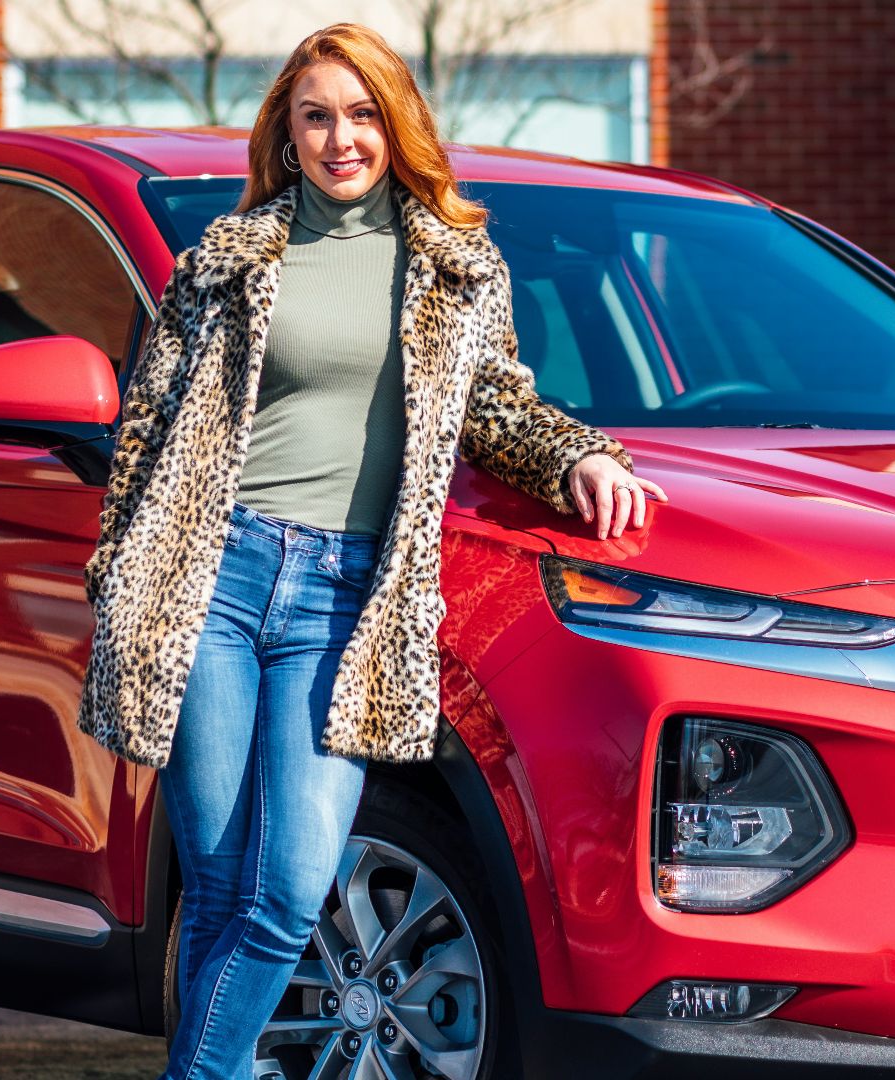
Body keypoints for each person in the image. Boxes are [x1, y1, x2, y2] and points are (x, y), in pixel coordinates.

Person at [74, 21, 669, 1080]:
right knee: (213, 880)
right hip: (214, 576)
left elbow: (496, 404)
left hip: (344, 599)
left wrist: (581, 455)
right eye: (317, 116)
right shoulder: (225, 261)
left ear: (396, 127)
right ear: (287, 131)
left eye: (361, 115)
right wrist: (121, 577)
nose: (340, 138)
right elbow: (147, 432)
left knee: (291, 882)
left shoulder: (456, 270)